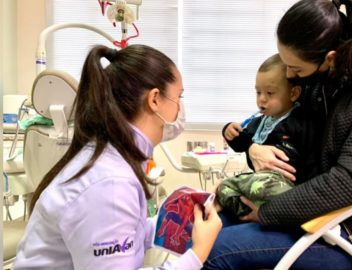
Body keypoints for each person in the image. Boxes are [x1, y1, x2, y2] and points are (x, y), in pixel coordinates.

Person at [203, 0, 352, 269]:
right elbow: (283, 139)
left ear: (329, 58)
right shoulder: (317, 80)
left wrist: (268, 212)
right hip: (306, 209)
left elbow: (350, 180)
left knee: (212, 251)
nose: (290, 76)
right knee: (204, 229)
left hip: (351, 228)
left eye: (296, 70)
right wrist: (250, 152)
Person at [14, 44, 222, 270]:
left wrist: (174, 222)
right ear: (154, 100)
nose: (180, 110)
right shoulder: (110, 184)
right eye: (178, 98)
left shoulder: (112, 158)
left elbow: (126, 233)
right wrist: (197, 255)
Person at [217, 53, 307, 217]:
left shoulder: (299, 121)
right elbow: (240, 143)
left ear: (293, 94)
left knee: (260, 185)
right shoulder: (258, 122)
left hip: (287, 185)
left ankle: (260, 208)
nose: (261, 100)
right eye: (258, 93)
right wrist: (228, 129)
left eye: (270, 93)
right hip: (257, 180)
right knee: (223, 187)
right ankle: (246, 211)